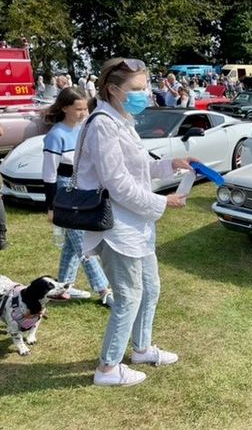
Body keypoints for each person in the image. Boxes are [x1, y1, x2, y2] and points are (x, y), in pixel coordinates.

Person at [75, 58, 197, 387]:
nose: (145, 93)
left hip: (136, 225)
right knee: (128, 296)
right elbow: (117, 184)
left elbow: (138, 166)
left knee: (150, 288)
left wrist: (172, 164)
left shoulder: (122, 120)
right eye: (138, 88)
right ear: (113, 90)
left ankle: (141, 348)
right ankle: (108, 368)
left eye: (146, 86)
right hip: (117, 227)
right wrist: (162, 201)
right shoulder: (102, 124)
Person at [41, 87, 114, 304]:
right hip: (65, 193)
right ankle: (104, 290)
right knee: (83, 243)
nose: (83, 113)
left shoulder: (84, 129)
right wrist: (51, 208)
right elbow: (49, 175)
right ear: (65, 108)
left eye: (85, 108)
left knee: (73, 244)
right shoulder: (56, 135)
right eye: (78, 109)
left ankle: (63, 287)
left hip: (83, 189)